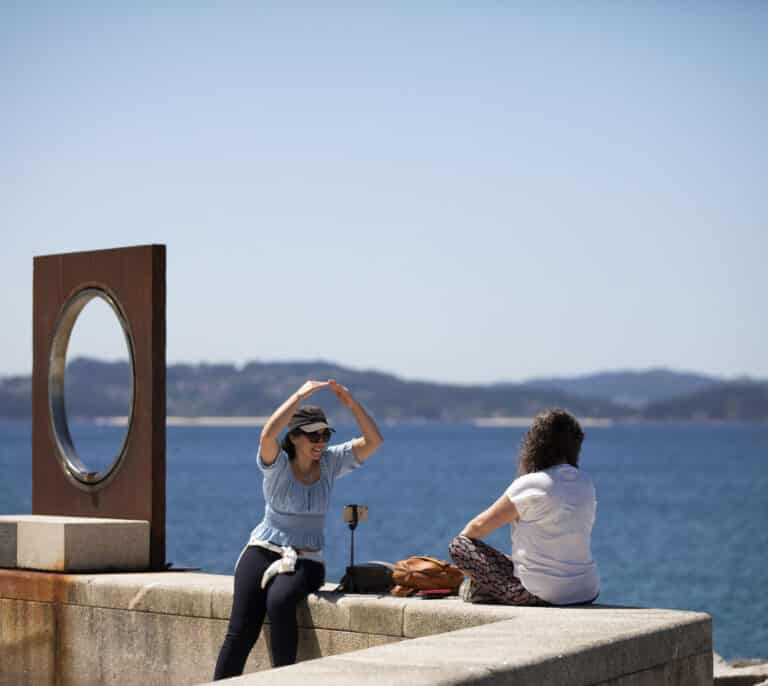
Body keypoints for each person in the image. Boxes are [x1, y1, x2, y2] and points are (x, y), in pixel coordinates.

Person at [213, 379, 383, 679]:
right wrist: (299, 395)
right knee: (241, 630)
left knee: (279, 603)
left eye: (325, 434)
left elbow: (374, 441)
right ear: (293, 438)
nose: (321, 441)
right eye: (313, 435)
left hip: (306, 558)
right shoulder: (276, 465)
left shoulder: (331, 463)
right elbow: (267, 434)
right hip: (262, 548)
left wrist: (351, 404)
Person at [449, 408, 599, 606]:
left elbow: (475, 530)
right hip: (587, 590)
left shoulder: (532, 483)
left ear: (536, 445)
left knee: (458, 545)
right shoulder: (586, 482)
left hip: (542, 595)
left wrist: (477, 571)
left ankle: (481, 590)